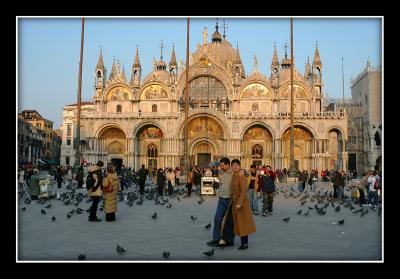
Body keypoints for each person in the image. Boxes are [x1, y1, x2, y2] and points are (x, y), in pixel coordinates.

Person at [220, 159, 256, 250]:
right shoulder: (234, 174)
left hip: (241, 202)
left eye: (237, 165)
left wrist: (240, 203)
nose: (235, 166)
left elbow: (244, 191)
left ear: (240, 166)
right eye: (233, 165)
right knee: (229, 221)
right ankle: (228, 240)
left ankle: (245, 243)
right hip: (233, 202)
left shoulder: (241, 176)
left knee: (242, 223)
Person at [207, 157, 234, 247]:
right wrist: (216, 184)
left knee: (229, 221)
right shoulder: (220, 172)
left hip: (230, 199)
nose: (221, 167)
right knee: (217, 218)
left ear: (228, 165)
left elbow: (247, 174)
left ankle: (229, 240)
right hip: (222, 198)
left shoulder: (234, 173)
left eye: (222, 165)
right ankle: (216, 238)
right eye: (220, 165)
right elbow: (221, 183)